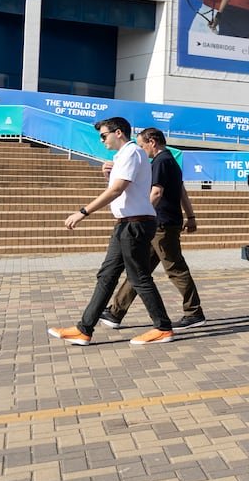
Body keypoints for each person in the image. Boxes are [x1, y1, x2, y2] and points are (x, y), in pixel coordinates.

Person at [49, 117, 174, 346]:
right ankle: (84, 329)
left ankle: (163, 327)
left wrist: (83, 212)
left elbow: (117, 190)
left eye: (103, 135)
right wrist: (111, 175)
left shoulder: (132, 153)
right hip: (126, 223)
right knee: (106, 276)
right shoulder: (124, 156)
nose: (101, 140)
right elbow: (125, 188)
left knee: (138, 277)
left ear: (118, 133)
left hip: (135, 224)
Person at [100, 128, 208, 332]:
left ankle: (194, 312)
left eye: (142, 145)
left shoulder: (160, 162)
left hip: (161, 225)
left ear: (152, 142)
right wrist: (190, 216)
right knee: (139, 270)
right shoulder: (171, 162)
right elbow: (182, 191)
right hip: (163, 223)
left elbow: (156, 192)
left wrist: (142, 215)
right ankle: (115, 312)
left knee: (175, 268)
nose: (141, 150)